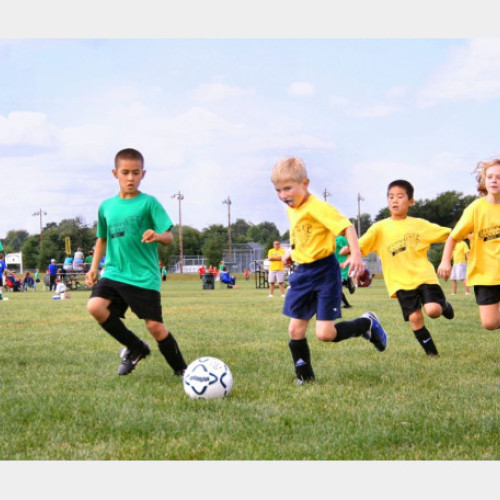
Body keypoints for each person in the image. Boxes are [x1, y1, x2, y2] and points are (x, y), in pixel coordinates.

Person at [270, 157, 388, 386]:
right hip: (302, 274)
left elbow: (347, 227)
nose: (283, 195)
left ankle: (366, 324)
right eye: (278, 190)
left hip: (324, 273)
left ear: (305, 184)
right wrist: (290, 253)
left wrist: (355, 255)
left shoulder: (318, 207)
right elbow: (303, 236)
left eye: (287, 188)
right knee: (295, 329)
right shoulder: (292, 209)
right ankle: (305, 378)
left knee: (325, 334)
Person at [85, 147, 187, 377]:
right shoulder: (106, 206)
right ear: (115, 174)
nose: (130, 178)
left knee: (154, 327)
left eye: (136, 172)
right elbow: (102, 239)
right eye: (125, 172)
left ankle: (182, 370)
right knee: (95, 306)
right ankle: (135, 347)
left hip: (143, 276)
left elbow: (169, 237)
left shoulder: (149, 203)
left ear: (143, 174)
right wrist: (93, 268)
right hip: (114, 272)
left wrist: (157, 235)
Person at [356, 179, 454, 358]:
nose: (394, 201)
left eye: (400, 196)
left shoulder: (419, 224)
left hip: (424, 276)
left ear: (410, 201)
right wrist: (349, 249)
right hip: (400, 282)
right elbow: (360, 245)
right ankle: (432, 354)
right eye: (391, 197)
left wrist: (467, 231)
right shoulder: (379, 228)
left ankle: (444, 305)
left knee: (433, 311)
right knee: (415, 318)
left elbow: (448, 234)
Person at [438, 158, 500, 331]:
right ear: (484, 180)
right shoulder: (475, 209)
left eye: (499, 177)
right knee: (490, 323)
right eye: (490, 177)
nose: (494, 180)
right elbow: (453, 237)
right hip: (484, 274)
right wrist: (445, 261)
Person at [334, 234, 354, 308]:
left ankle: (346, 304)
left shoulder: (340, 239)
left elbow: (350, 250)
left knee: (335, 287)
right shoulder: (329, 241)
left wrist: (347, 261)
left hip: (342, 267)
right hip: (335, 267)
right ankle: (347, 281)